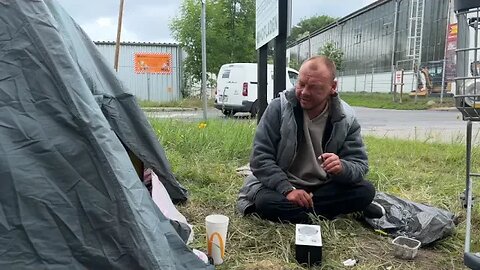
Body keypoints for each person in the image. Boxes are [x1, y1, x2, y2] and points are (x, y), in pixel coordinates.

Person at [236, 56, 384, 224]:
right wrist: (288, 190)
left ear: (333, 87)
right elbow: (260, 159)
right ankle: (332, 210)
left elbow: (359, 164)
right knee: (266, 202)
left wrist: (342, 167)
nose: (304, 92)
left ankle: (301, 212)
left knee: (366, 191)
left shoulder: (346, 118)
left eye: (314, 87)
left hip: (322, 187)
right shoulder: (278, 108)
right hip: (282, 186)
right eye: (301, 84)